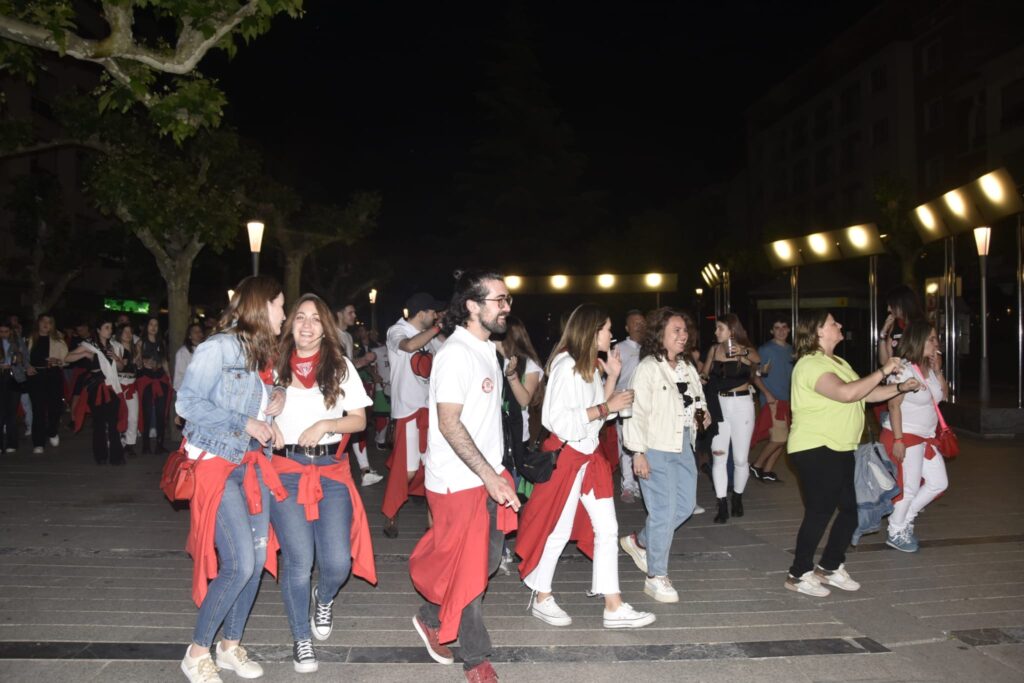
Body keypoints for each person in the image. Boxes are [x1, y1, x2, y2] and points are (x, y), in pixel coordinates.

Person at [175, 276, 289, 683]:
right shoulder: (218, 348)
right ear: (261, 306)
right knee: (239, 563)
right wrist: (246, 422)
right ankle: (196, 653)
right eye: (280, 306)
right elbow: (187, 404)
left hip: (253, 465)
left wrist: (277, 396)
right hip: (219, 464)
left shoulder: (261, 351)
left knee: (256, 562)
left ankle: (229, 646)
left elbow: (260, 394)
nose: (284, 314)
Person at [409, 270, 520, 683]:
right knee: (472, 570)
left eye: (508, 300)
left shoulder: (487, 348)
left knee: (485, 561)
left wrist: (495, 472)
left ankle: (431, 615)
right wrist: (490, 476)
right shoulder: (455, 354)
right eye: (499, 300)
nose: (506, 307)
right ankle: (475, 658)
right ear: (472, 305)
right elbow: (450, 423)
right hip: (458, 481)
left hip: (485, 475)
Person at [516, 304, 655, 630]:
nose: (612, 334)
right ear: (592, 332)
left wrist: (613, 379)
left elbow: (596, 415)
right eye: (607, 329)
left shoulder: (587, 366)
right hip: (568, 459)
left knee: (607, 529)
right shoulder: (566, 366)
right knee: (558, 529)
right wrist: (608, 405)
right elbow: (557, 420)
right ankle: (542, 596)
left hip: (589, 457)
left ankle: (613, 605)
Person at [267, 294, 377, 673]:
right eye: (300, 317)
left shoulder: (340, 365)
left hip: (330, 472)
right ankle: (301, 639)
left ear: (325, 327)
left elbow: (359, 420)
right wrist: (268, 423)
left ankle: (324, 597)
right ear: (290, 323)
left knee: (337, 562)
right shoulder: (273, 364)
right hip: (286, 471)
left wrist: (326, 424)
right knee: (299, 560)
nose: (307, 325)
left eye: (315, 319)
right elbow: (250, 409)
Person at [784, 311, 919, 597]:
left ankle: (829, 567)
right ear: (818, 331)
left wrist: (899, 387)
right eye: (833, 323)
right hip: (815, 447)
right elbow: (846, 393)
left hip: (841, 447)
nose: (840, 325)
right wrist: (883, 371)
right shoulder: (810, 364)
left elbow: (865, 394)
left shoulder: (839, 362)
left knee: (851, 510)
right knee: (820, 511)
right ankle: (798, 573)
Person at [620, 308, 710, 602]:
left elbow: (698, 400)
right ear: (660, 334)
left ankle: (641, 542)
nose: (683, 336)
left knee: (685, 505)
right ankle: (656, 576)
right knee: (662, 511)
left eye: (685, 330)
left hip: (683, 443)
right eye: (676, 331)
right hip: (655, 446)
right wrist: (638, 453)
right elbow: (635, 412)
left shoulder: (686, 366)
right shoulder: (648, 368)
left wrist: (703, 414)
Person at [881, 322, 950, 552]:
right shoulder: (904, 369)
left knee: (938, 483)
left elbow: (942, 396)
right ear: (918, 341)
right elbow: (893, 405)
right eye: (931, 339)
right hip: (906, 435)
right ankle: (895, 531)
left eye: (936, 338)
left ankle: (904, 517)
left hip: (926, 437)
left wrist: (938, 371)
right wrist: (898, 440)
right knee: (909, 488)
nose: (936, 343)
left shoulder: (929, 368)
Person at [381, 292, 444, 538]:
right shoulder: (397, 331)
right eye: (433, 312)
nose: (436, 316)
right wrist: (438, 329)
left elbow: (450, 351)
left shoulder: (431, 337)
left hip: (431, 411)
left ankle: (432, 523)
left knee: (432, 467)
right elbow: (408, 346)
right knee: (406, 470)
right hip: (407, 410)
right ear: (421, 313)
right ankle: (391, 514)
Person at [700, 314, 760, 523]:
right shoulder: (714, 350)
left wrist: (742, 352)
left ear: (732, 330)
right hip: (718, 405)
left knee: (741, 459)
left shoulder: (745, 350)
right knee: (719, 456)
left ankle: (737, 497)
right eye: (716, 328)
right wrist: (699, 379)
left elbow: (757, 359)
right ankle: (722, 504)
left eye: (720, 328)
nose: (716, 332)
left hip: (742, 404)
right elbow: (705, 374)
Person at [65, 317, 127, 465]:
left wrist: (116, 358)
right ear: (98, 330)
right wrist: (85, 354)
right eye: (106, 328)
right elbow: (67, 357)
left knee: (113, 422)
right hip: (97, 387)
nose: (109, 331)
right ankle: (101, 455)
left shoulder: (114, 346)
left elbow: (121, 368)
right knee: (99, 422)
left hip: (112, 387)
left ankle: (116, 457)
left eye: (111, 328)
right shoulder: (89, 345)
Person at [750, 316, 795, 482]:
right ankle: (756, 465)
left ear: (789, 329)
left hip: (787, 400)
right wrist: (767, 394)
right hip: (773, 400)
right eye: (777, 327)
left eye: (784, 327)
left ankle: (767, 471)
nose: (781, 331)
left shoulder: (791, 350)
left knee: (784, 438)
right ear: (771, 331)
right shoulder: (766, 350)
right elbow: (755, 375)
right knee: (779, 438)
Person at [614, 309, 645, 504]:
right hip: (625, 402)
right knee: (626, 443)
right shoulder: (619, 348)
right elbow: (611, 377)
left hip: (646, 405)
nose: (640, 326)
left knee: (643, 445)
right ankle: (628, 485)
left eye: (642, 322)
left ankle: (642, 485)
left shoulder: (650, 347)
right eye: (635, 323)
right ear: (627, 327)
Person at [26, 314, 68, 454]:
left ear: (52, 325)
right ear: (38, 323)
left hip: (53, 374)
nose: (45, 324)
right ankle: (38, 442)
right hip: (36, 376)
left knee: (55, 407)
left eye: (49, 322)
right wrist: (27, 367)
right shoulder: (30, 339)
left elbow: (66, 359)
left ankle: (52, 431)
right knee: (38, 409)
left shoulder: (58, 340)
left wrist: (58, 360)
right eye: (43, 321)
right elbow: (23, 357)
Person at [349, 324, 384, 486]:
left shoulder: (372, 346)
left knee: (358, 427)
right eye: (350, 312)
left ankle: (365, 469)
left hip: (360, 387)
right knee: (354, 428)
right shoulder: (348, 341)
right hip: (351, 388)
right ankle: (364, 470)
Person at [138, 316, 171, 454]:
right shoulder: (141, 342)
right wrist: (143, 362)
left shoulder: (161, 342)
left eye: (156, 325)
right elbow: (137, 362)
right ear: (147, 326)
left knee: (161, 412)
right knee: (146, 412)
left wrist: (169, 377)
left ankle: (159, 444)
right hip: (147, 379)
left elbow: (164, 361)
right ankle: (145, 445)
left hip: (160, 378)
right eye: (151, 324)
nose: (153, 327)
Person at [878, 285, 926, 367]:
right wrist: (883, 331)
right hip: (897, 374)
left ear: (901, 305)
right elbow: (884, 361)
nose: (888, 309)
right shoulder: (895, 325)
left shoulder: (922, 327)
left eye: (891, 305)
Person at [0, 317, 28, 453]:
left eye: (6, 331)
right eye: (1, 332)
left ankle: (12, 443)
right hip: (1, 375)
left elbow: (25, 358)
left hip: (14, 377)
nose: (3, 334)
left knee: (11, 411)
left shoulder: (17, 341)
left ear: (11, 331)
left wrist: (18, 364)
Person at [116, 324, 141, 457]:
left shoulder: (134, 349)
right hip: (118, 384)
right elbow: (121, 366)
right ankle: (116, 439)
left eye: (130, 331)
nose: (128, 334)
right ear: (120, 333)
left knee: (133, 416)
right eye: (125, 331)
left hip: (131, 384)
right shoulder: (116, 348)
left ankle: (130, 444)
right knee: (118, 414)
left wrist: (139, 358)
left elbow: (139, 366)